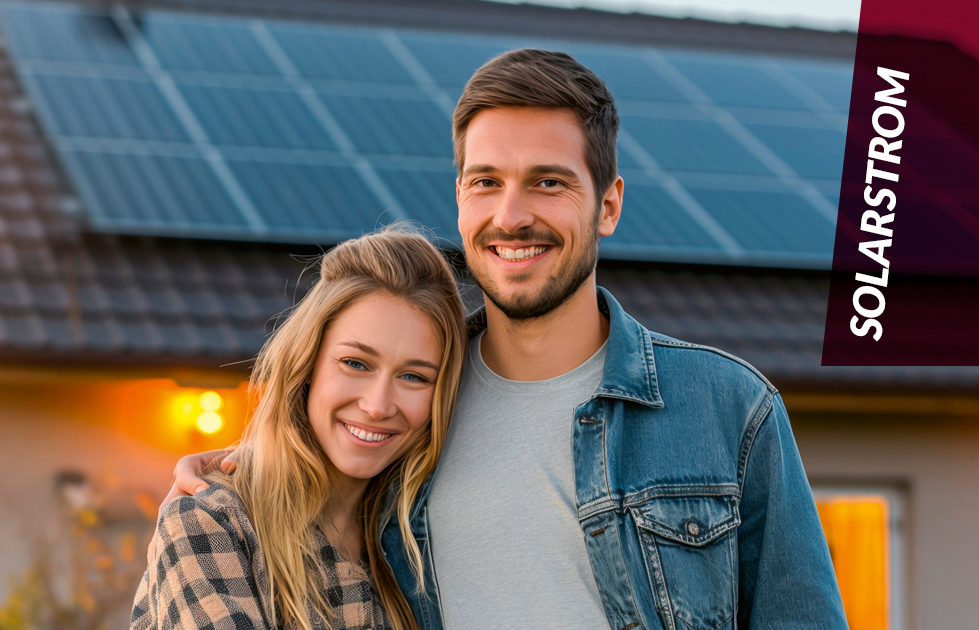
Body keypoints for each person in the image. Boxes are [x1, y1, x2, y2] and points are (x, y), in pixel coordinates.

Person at [166, 49, 848, 630]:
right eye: (485, 183)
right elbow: (322, 459)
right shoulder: (415, 405)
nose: (511, 216)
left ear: (607, 204)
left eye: (547, 183)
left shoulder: (727, 409)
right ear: (460, 199)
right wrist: (239, 465)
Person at [130, 226, 468, 630]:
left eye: (414, 376)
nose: (377, 406)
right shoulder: (212, 523)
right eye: (355, 364)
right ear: (307, 364)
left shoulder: (419, 543)